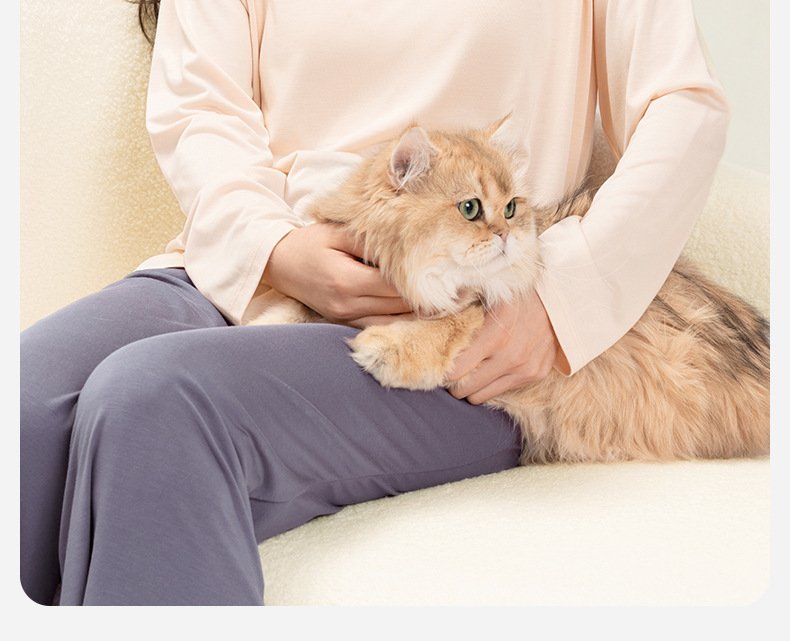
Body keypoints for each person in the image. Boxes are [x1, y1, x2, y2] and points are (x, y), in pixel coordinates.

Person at [20, 0, 729, 605]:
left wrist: (562, 300)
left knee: (157, 404)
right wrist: (275, 247)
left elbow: (682, 104)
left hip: (461, 315)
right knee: (20, 411)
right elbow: (201, 104)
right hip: (250, 266)